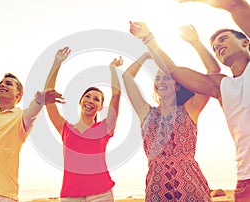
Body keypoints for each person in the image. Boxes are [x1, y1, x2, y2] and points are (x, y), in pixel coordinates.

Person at [130, 0, 250, 201]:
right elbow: (174, 71)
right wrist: (148, 38)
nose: (218, 45)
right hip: (245, 178)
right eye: (214, 45)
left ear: (245, 41)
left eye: (223, 39)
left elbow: (236, 5)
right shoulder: (221, 86)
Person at [0, 17, 64, 202]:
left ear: (19, 94)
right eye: (0, 83)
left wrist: (41, 97)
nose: (2, 85)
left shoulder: (21, 118)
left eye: (9, 84)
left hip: (3, 196)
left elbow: (35, 106)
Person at [124, 24, 220, 201]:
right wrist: (145, 57)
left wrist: (196, 43)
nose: (161, 81)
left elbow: (213, 72)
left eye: (167, 77)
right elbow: (126, 78)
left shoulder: (190, 109)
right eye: (157, 78)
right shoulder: (146, 113)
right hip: (157, 184)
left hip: (190, 182)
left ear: (177, 84)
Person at [44, 46, 123, 201]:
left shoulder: (105, 128)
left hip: (101, 194)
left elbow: (116, 95)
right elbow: (48, 95)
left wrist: (112, 68)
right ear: (80, 102)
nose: (91, 101)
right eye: (87, 96)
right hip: (70, 195)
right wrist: (57, 63)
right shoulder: (65, 128)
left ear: (100, 107)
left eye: (96, 99)